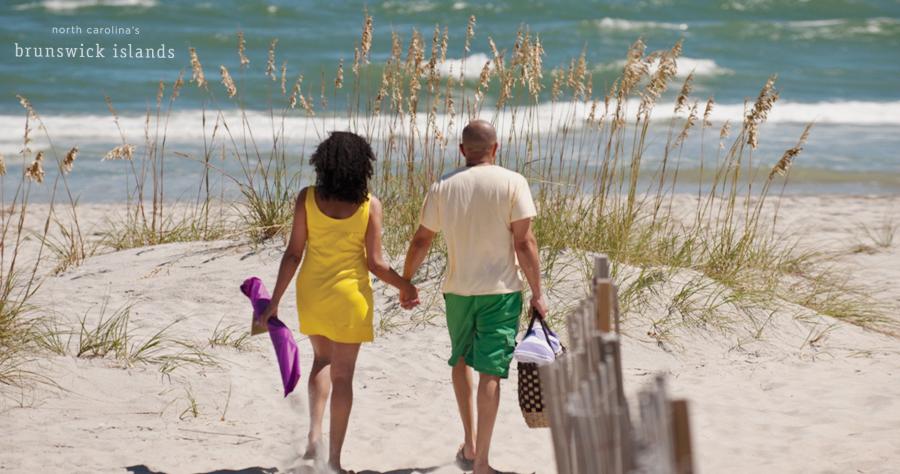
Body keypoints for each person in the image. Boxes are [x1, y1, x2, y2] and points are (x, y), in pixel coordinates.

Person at [259, 131, 418, 473]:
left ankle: (314, 437)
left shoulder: (307, 198)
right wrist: (405, 286)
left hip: (312, 292)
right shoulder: (369, 206)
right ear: (362, 167)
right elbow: (375, 263)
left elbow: (293, 254)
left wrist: (275, 301)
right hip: (351, 298)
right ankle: (334, 461)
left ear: (323, 164)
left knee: (321, 361)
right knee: (344, 377)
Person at [402, 120, 546, 474]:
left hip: (458, 291)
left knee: (461, 360)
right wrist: (539, 293)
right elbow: (524, 242)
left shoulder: (442, 186)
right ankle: (481, 462)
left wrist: (406, 280)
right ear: (496, 149)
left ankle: (469, 442)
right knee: (490, 373)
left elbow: (422, 239)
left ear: (462, 150)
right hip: (501, 292)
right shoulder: (513, 182)